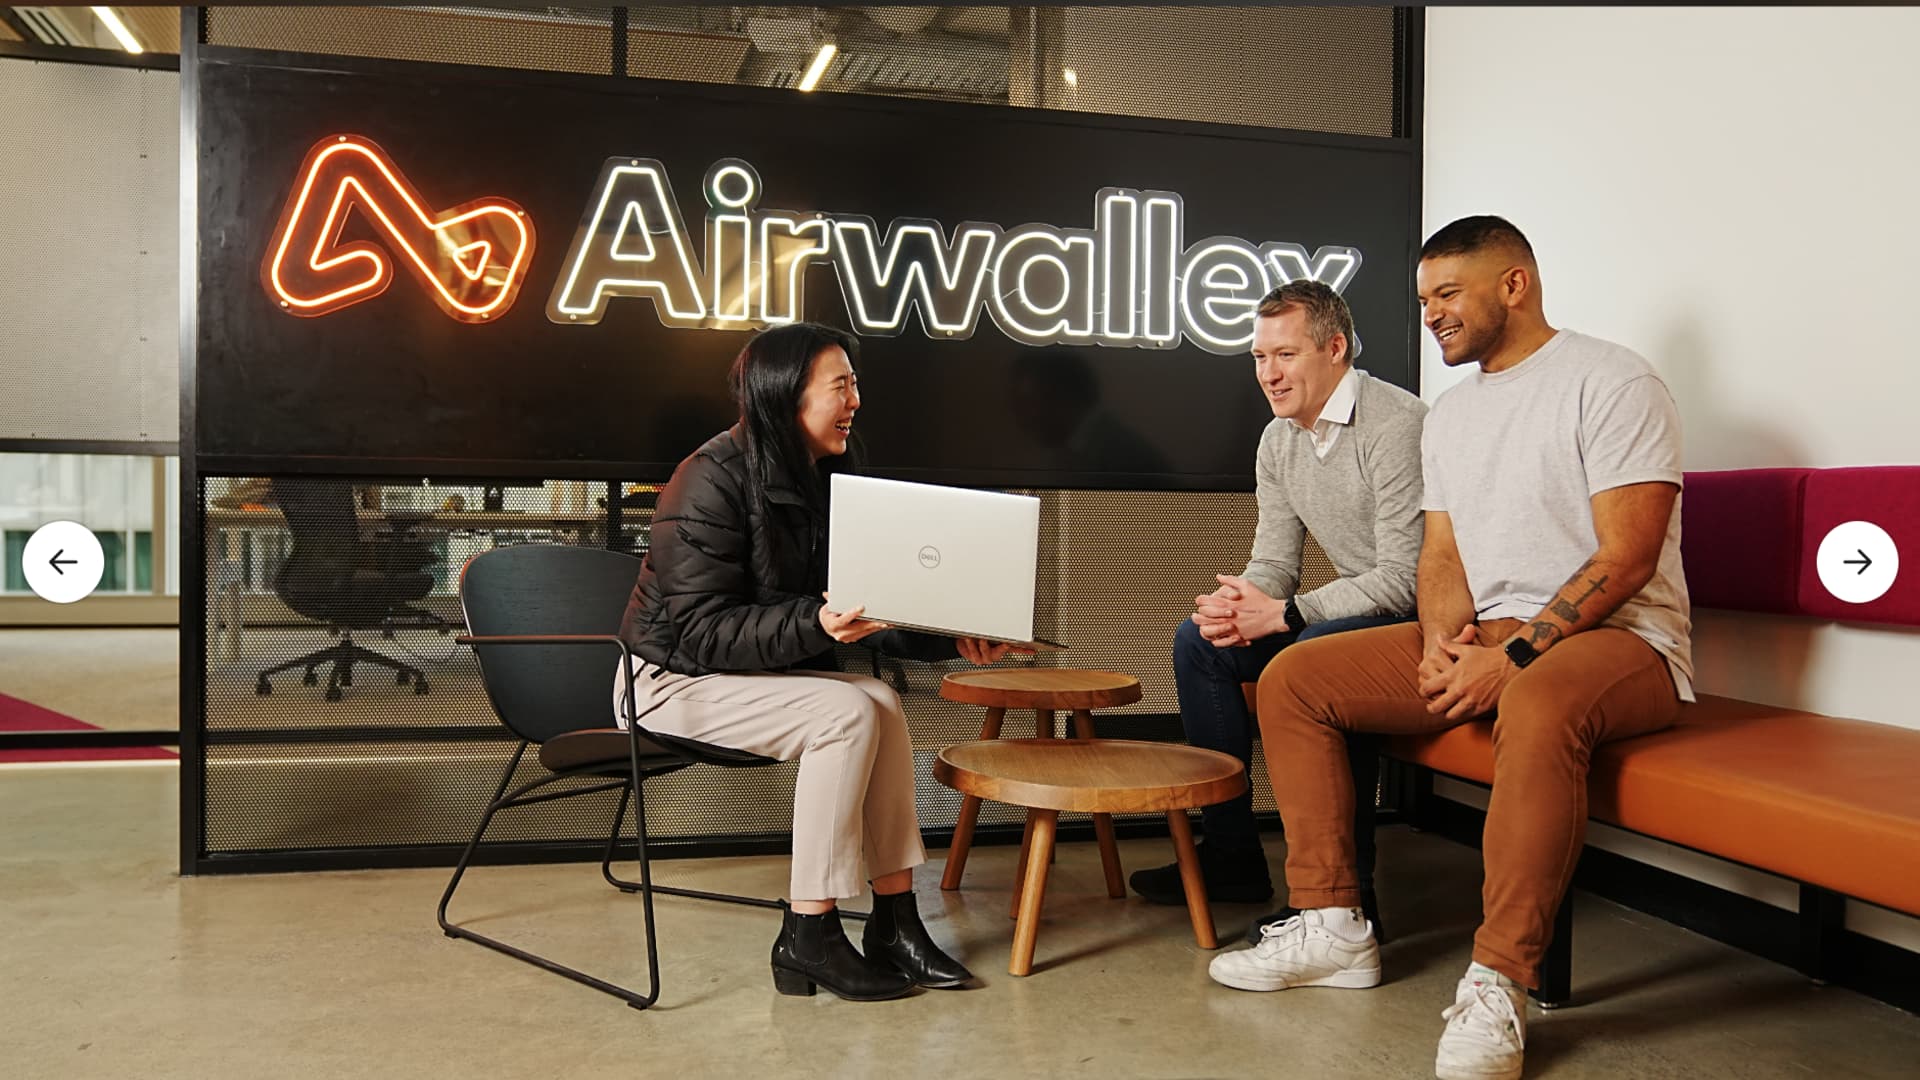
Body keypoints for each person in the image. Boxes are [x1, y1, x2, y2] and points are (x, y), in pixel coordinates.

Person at [1208, 217, 1691, 1080]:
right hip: (1488, 636)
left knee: (1537, 700)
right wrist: (1440, 645)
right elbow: (1440, 556)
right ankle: (1333, 924)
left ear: (1514, 285)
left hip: (1622, 642)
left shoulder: (1613, 380)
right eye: (1424, 299)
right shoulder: (1455, 413)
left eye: (1448, 294)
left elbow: (1627, 557)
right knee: (1296, 677)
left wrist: (1515, 658)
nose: (1431, 314)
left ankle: (1499, 980)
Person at [612, 321, 1018, 1002]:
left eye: (855, 384)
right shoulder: (707, 479)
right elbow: (702, 633)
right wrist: (813, 622)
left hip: (749, 677)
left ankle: (895, 921)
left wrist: (953, 639)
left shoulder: (833, 474)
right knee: (846, 711)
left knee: (880, 701)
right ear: (786, 395)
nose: (855, 400)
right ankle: (810, 932)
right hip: (668, 681)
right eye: (841, 386)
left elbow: (868, 606)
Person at [1129, 280, 1427, 946]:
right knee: (1199, 641)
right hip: (1352, 608)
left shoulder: (1397, 425)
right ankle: (1231, 854)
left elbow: (1405, 581)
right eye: (1260, 358)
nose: (1269, 374)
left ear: (1336, 348)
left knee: (1321, 657)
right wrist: (1242, 602)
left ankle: (1350, 895)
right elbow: (1274, 562)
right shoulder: (1278, 440)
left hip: (1419, 619)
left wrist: (1287, 615)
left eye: (1286, 355)